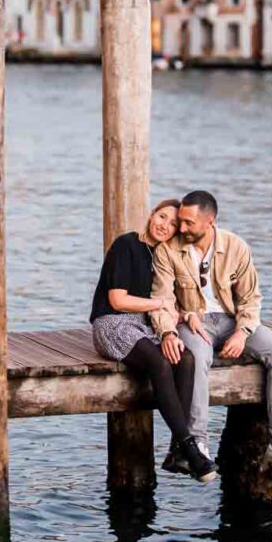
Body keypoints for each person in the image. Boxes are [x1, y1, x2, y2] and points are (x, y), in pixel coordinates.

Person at [149, 189, 272, 480]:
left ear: (210, 221)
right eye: (180, 221)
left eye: (188, 223)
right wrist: (168, 331)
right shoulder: (167, 250)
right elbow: (162, 299)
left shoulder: (236, 247)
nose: (181, 228)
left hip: (234, 321)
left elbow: (251, 299)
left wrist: (242, 332)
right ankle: (199, 442)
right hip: (194, 322)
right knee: (196, 358)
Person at [89, 198, 217, 483]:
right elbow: (117, 300)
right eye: (161, 217)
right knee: (160, 361)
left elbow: (173, 302)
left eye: (172, 224)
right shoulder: (126, 245)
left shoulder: (165, 256)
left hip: (145, 326)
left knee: (184, 358)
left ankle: (175, 452)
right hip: (112, 323)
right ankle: (189, 447)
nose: (165, 226)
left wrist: (187, 315)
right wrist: (159, 304)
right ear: (150, 215)